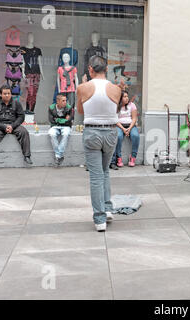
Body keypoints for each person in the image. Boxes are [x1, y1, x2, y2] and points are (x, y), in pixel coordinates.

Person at [77, 55, 121, 232]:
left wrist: (83, 85)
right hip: (111, 132)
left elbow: (80, 110)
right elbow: (115, 109)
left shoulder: (83, 87)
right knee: (105, 171)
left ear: (90, 69)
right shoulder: (116, 89)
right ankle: (108, 208)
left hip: (92, 131)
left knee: (96, 176)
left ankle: (100, 218)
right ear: (107, 69)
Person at [0, 84, 32, 172]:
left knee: (24, 132)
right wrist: (3, 127)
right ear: (1, 94)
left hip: (13, 125)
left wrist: (12, 126)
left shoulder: (16, 104)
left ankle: (27, 156)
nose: (7, 95)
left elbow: (21, 117)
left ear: (11, 94)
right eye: (5, 93)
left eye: (9, 93)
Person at [109, 90, 140, 169]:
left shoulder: (132, 105)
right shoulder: (116, 106)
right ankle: (119, 158)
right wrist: (123, 129)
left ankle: (133, 157)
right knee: (118, 136)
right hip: (119, 126)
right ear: (120, 98)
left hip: (131, 125)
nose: (127, 98)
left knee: (135, 136)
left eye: (127, 96)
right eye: (124, 97)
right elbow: (115, 119)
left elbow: (134, 118)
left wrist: (129, 128)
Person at [48, 93, 74, 166]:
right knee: (51, 134)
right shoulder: (51, 108)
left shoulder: (69, 108)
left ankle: (58, 155)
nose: (65, 102)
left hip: (66, 127)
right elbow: (51, 120)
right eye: (63, 101)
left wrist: (57, 119)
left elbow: (69, 121)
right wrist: (63, 120)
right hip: (54, 126)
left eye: (66, 100)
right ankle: (60, 155)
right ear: (58, 101)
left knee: (65, 134)